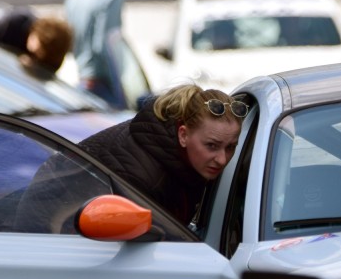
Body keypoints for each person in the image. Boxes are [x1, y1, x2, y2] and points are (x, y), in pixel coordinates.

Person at [79, 84, 246, 225]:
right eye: (211, 146)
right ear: (183, 135)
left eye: (231, 147)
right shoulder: (143, 179)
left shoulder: (170, 142)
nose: (222, 159)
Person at [63, 0, 134, 108]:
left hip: (82, 82)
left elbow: (70, 42)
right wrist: (119, 92)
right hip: (103, 86)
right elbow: (105, 46)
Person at [0, 8, 73, 79]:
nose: (32, 52)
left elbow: (47, 76)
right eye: (35, 52)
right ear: (36, 32)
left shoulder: (53, 56)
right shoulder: (15, 24)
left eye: (37, 55)